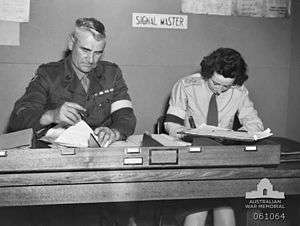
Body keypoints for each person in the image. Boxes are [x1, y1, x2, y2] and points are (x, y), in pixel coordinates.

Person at [164, 47, 264, 226]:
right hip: (192, 157)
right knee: (201, 211)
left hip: (221, 159)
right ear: (207, 72)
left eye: (226, 86)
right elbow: (171, 122)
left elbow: (254, 122)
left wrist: (241, 134)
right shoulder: (186, 85)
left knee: (225, 211)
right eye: (215, 84)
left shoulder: (239, 90)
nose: (219, 90)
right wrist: (186, 134)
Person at [7, 17, 136, 147]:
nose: (91, 60)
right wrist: (52, 115)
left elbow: (125, 115)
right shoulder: (48, 74)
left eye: (98, 53)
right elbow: (18, 119)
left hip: (101, 152)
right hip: (58, 156)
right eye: (85, 50)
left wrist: (114, 132)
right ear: (71, 43)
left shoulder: (111, 73)